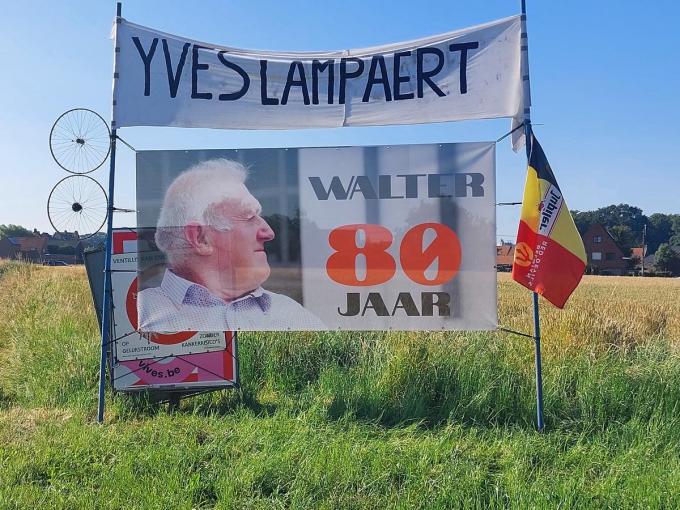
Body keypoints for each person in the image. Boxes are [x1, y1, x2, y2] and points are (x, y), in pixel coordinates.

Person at [137, 158, 324, 331]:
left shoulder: (291, 314)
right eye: (250, 217)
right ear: (200, 238)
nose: (269, 232)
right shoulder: (138, 314)